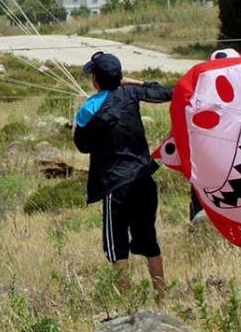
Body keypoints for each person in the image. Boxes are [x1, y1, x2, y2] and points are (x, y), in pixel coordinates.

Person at [72, 51, 172, 295]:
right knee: (149, 240)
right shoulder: (131, 93)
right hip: (143, 179)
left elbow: (82, 145)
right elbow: (166, 92)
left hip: (114, 185)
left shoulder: (88, 109)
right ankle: (161, 295)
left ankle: (126, 302)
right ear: (119, 77)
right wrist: (132, 82)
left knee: (116, 246)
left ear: (95, 79)